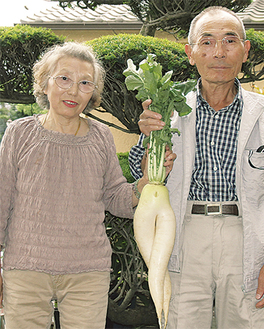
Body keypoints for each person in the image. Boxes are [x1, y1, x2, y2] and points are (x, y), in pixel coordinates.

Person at [129, 6, 264, 329]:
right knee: (181, 321)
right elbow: (142, 176)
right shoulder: (167, 105)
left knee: (246, 322)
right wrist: (151, 142)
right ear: (190, 53)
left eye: (230, 41)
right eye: (207, 42)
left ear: (245, 51)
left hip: (246, 235)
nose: (219, 52)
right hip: (184, 231)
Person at [0, 42, 175, 329]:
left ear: (92, 94)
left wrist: (145, 184)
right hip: (25, 269)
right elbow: (1, 199)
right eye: (64, 78)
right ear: (45, 84)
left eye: (85, 83)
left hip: (88, 272)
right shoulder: (19, 133)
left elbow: (115, 196)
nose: (73, 90)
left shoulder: (101, 136)